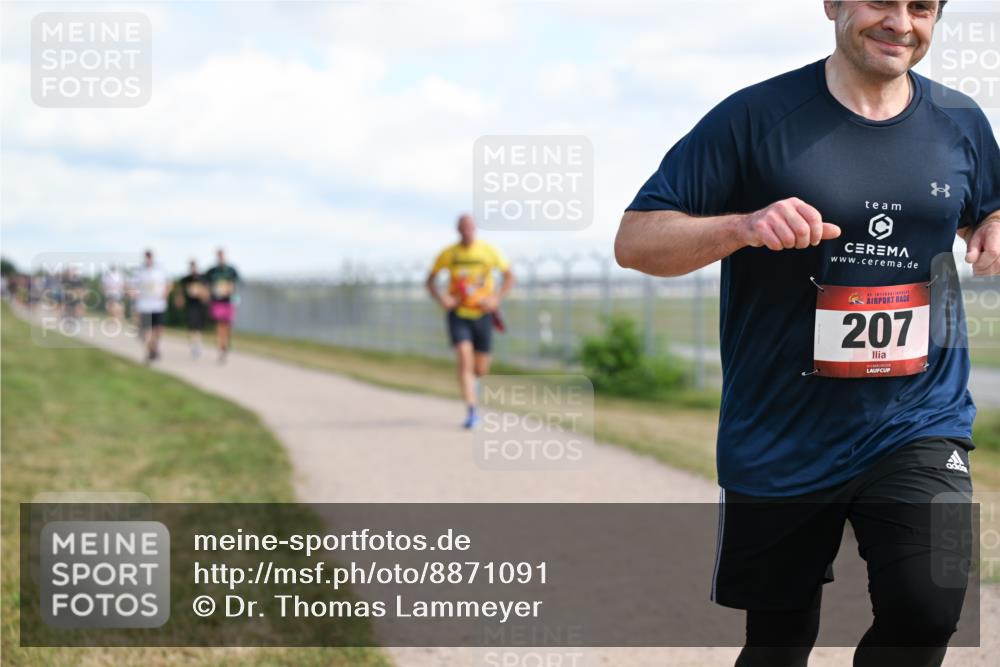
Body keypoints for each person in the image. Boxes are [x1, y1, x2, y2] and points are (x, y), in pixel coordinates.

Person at [615, 2, 999, 666]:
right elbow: (635, 240)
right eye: (882, 1)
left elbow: (983, 202)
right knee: (779, 642)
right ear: (833, 4)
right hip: (781, 429)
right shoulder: (754, 118)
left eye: (922, 8)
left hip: (917, 418)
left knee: (927, 607)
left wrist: (994, 220)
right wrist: (742, 225)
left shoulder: (961, 122)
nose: (901, 24)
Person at [426, 214, 514, 429]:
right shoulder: (448, 254)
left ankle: (476, 386)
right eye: (463, 227)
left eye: (470, 227)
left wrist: (495, 299)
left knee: (481, 369)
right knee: (464, 359)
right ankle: (472, 411)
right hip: (458, 314)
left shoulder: (488, 251)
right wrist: (442, 299)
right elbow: (430, 281)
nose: (467, 230)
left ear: (475, 229)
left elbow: (509, 277)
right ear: (458, 229)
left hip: (483, 315)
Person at [129, 250, 171, 363]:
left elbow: (168, 284)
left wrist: (165, 295)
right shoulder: (139, 271)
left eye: (150, 257)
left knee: (159, 330)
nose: (148, 259)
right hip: (144, 305)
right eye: (147, 257)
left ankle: (154, 348)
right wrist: (133, 301)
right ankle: (151, 351)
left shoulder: (161, 270)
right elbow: (132, 288)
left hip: (158, 305)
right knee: (145, 331)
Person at [205, 248, 240, 364]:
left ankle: (226, 342)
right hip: (217, 301)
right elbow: (206, 283)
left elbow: (237, 283)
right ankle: (221, 347)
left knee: (228, 325)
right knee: (220, 324)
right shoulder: (212, 271)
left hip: (228, 301)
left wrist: (231, 288)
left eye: (222, 255)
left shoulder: (231, 270)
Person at [177, 260, 210, 359]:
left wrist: (201, 293)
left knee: (199, 327)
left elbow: (207, 293)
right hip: (191, 306)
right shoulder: (186, 279)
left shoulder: (202, 279)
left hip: (200, 306)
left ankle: (198, 344)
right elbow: (179, 289)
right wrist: (180, 298)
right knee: (192, 326)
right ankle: (194, 345)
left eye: (194, 267)